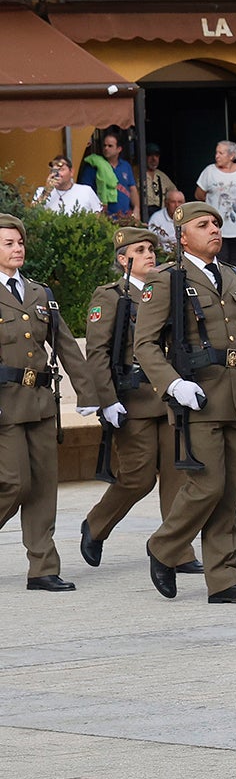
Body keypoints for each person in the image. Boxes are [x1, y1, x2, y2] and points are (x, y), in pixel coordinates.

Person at [131, 202, 236, 604]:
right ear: (183, 237)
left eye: (217, 224)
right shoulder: (165, 279)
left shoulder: (234, 276)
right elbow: (145, 344)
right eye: (203, 225)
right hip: (196, 398)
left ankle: (224, 580)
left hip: (235, 397)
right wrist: (173, 384)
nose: (215, 229)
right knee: (208, 486)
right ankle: (164, 546)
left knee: (229, 493)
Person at [77, 229, 186, 571]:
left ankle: (176, 551)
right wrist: (107, 400)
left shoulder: (166, 289)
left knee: (177, 475)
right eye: (140, 250)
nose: (149, 254)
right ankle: (96, 525)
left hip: (168, 396)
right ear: (123, 259)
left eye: (151, 249)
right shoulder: (110, 296)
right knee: (138, 478)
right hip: (133, 400)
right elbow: (97, 352)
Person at [0, 213, 89, 591]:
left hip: (39, 402)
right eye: (8, 243)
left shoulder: (40, 294)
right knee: (14, 483)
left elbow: (65, 345)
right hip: (4, 404)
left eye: (20, 242)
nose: (17, 249)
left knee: (42, 487)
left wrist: (89, 393)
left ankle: (43, 568)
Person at [196, 141, 236, 279]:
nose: (217, 156)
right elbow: (199, 195)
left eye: (221, 153)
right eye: (217, 152)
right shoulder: (209, 171)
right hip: (216, 227)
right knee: (219, 260)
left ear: (232, 156)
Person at [33, 155, 106, 214]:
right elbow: (32, 213)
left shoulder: (86, 191)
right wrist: (46, 191)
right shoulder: (41, 191)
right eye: (54, 170)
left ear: (71, 172)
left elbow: (99, 214)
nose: (57, 174)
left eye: (61, 170)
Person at [101, 131, 137, 217]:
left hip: (125, 217)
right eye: (104, 145)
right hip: (105, 218)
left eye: (110, 146)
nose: (106, 148)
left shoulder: (126, 166)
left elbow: (132, 189)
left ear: (119, 149)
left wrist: (137, 208)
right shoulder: (95, 166)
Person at [142, 142, 178, 216]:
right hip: (143, 214)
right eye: (150, 155)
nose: (154, 159)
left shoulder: (161, 175)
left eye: (157, 156)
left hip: (160, 214)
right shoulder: (136, 173)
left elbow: (175, 193)